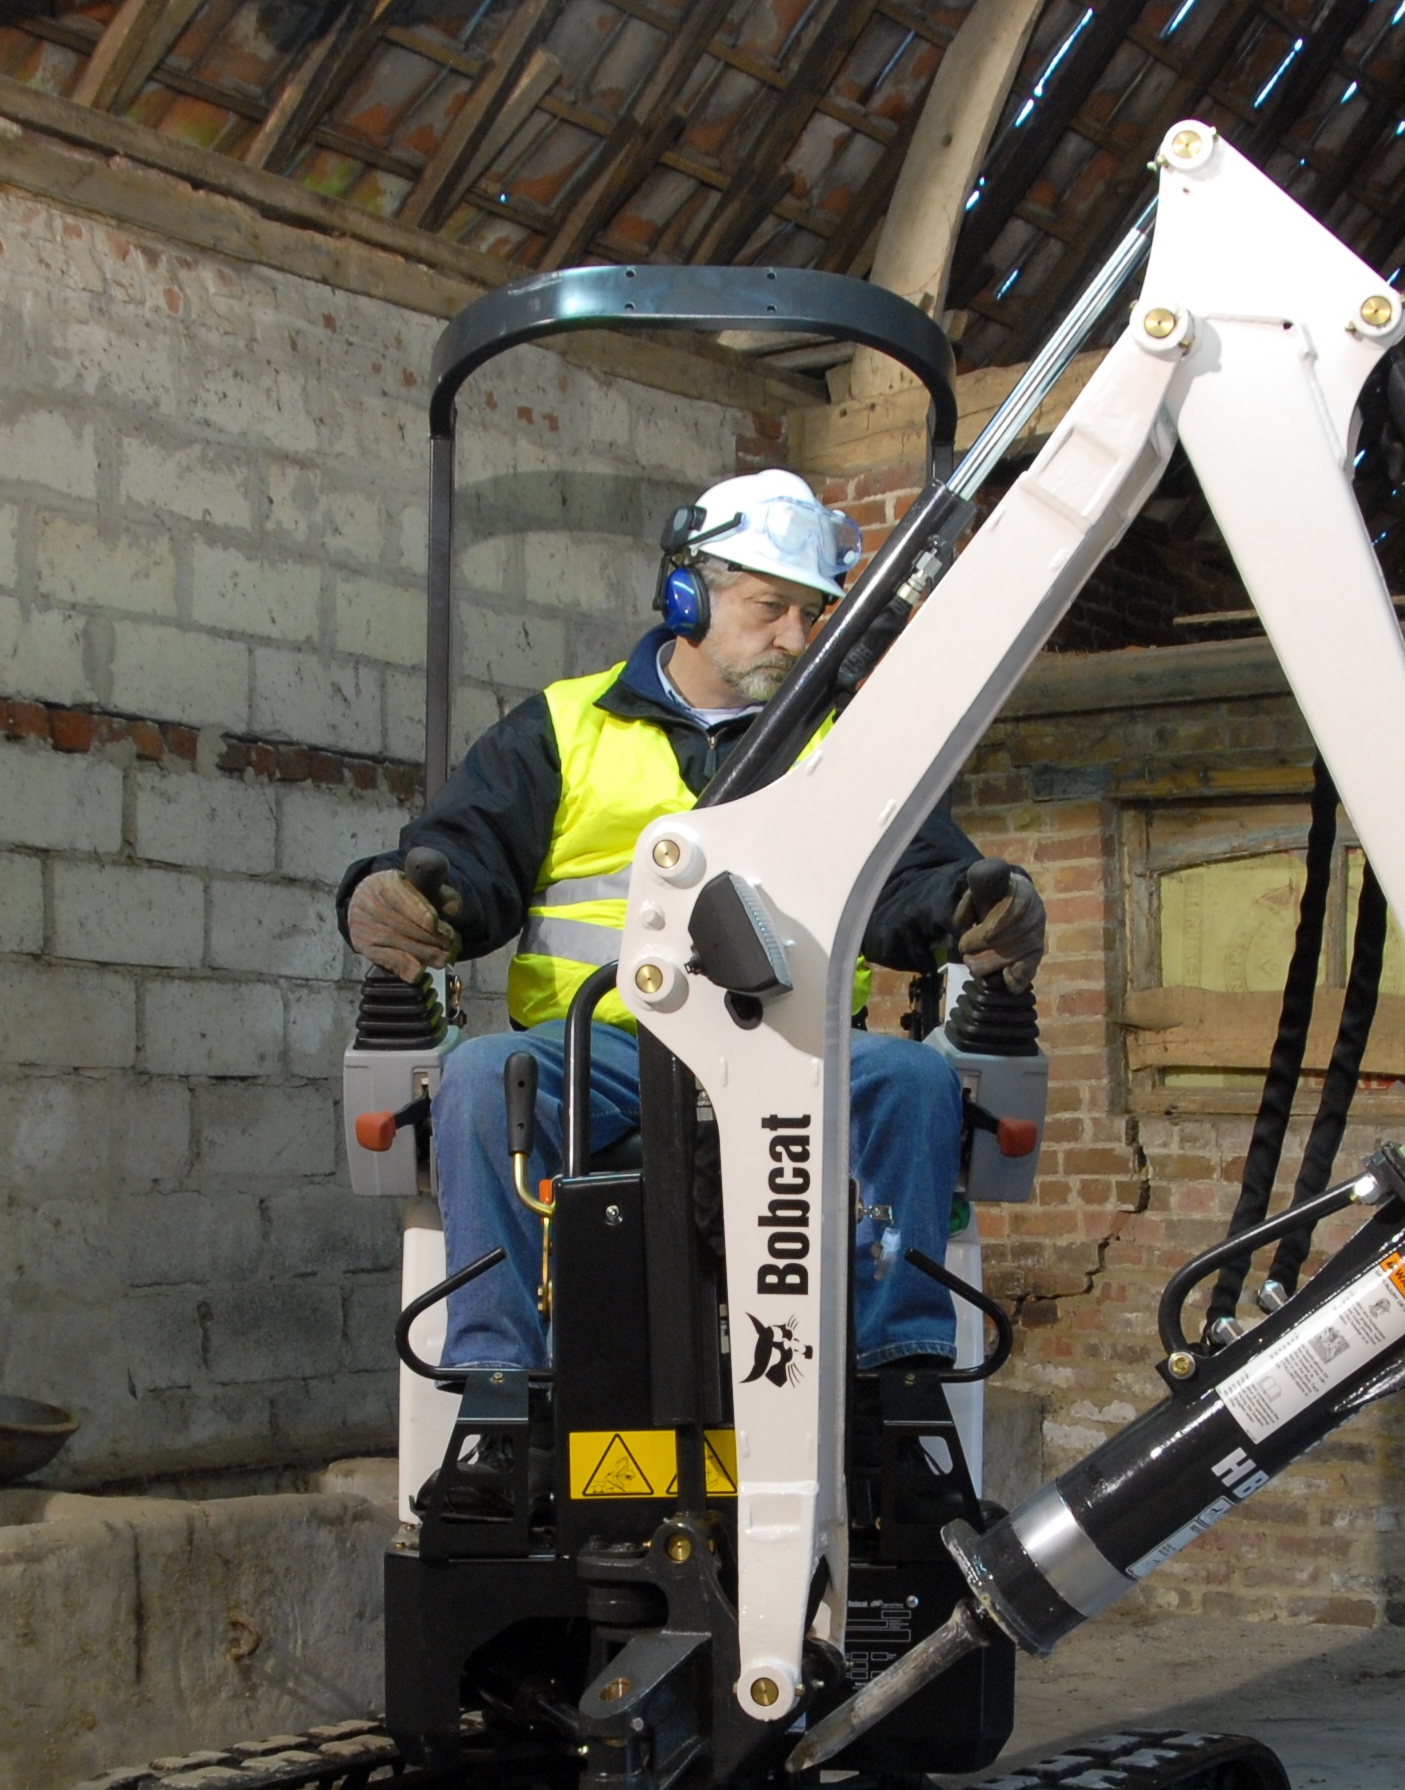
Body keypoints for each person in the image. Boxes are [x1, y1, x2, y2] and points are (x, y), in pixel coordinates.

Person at [338, 467, 1048, 1372]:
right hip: (601, 1053)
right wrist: (400, 893)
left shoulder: (847, 743)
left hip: (800, 1053)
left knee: (911, 1082)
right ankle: (494, 1380)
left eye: (810, 612)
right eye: (770, 607)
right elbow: (464, 861)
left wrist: (972, 910)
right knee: (481, 1079)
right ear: (687, 596)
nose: (797, 636)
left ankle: (897, 1370)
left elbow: (919, 881)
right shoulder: (564, 727)